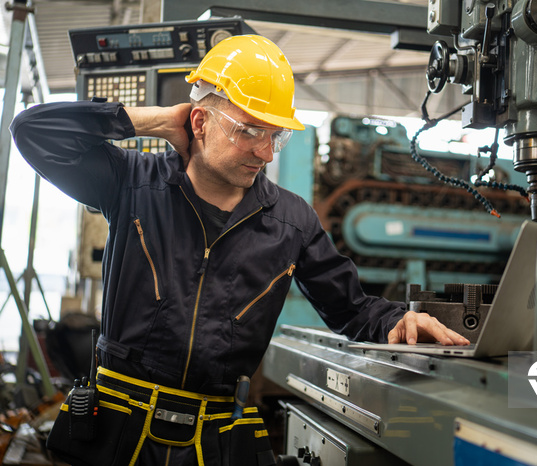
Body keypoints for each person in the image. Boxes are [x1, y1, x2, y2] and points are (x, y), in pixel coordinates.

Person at [10, 34, 468, 466]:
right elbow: (32, 130)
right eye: (250, 131)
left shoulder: (292, 222)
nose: (266, 153)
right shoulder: (131, 182)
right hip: (117, 436)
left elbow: (354, 311)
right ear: (200, 121)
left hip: (215, 444)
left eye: (276, 136)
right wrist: (154, 120)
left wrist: (398, 320)